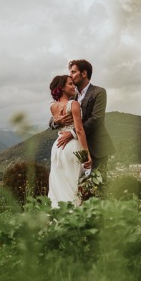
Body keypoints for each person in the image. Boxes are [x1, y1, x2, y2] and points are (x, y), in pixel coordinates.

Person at [51, 59, 115, 171]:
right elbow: (53, 119)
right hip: (74, 149)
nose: (70, 76)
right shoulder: (70, 96)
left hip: (96, 148)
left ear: (84, 73)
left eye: (73, 72)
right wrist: (57, 121)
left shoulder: (99, 92)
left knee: (98, 181)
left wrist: (72, 133)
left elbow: (96, 119)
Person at [47, 75, 92, 207]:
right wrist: (86, 153)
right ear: (62, 88)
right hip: (72, 147)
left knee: (58, 185)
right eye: (70, 84)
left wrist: (57, 121)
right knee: (73, 184)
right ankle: (73, 213)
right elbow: (79, 130)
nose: (74, 87)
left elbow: (55, 121)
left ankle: (58, 213)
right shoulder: (74, 104)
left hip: (57, 146)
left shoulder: (52, 106)